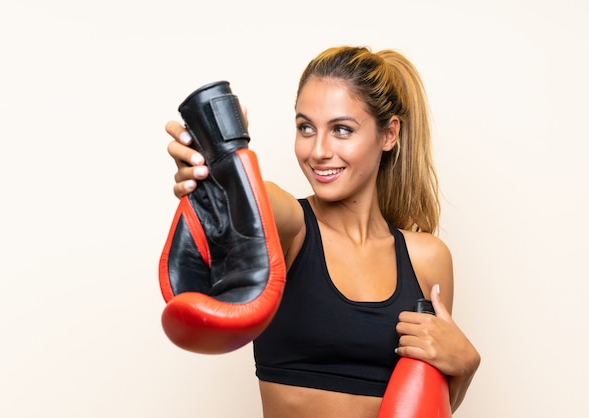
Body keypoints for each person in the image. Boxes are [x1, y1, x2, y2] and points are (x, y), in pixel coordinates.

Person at [165, 46, 480, 418]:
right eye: (306, 128)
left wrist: (465, 367)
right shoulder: (293, 232)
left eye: (341, 129)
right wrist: (225, 167)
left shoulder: (428, 259)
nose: (318, 151)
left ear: (389, 134)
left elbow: (430, 401)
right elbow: (259, 199)